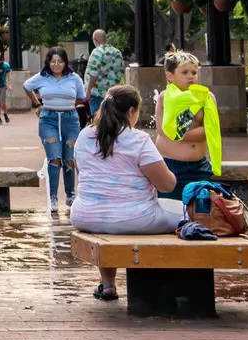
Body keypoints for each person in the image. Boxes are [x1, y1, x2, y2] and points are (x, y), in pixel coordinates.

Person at [69, 85, 181, 301]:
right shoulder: (138, 139)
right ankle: (168, 283)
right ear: (131, 111)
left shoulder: (84, 136)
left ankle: (108, 285)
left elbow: (82, 173)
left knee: (110, 220)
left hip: (86, 216)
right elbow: (167, 185)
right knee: (188, 215)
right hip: (135, 218)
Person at [23, 47, 85, 214]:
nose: (56, 64)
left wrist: (66, 103)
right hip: (48, 119)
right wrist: (38, 104)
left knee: (69, 158)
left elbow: (81, 96)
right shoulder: (42, 77)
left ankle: (71, 196)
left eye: (60, 61)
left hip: (70, 119)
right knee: (55, 158)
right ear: (48, 63)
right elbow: (26, 86)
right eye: (53, 61)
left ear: (65, 62)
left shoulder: (74, 79)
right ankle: (53, 197)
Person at [156, 49, 221, 200]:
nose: (190, 76)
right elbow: (165, 131)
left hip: (199, 166)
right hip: (171, 166)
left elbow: (211, 130)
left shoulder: (206, 97)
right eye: (184, 72)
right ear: (169, 76)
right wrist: (182, 134)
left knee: (199, 211)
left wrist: (180, 134)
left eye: (194, 72)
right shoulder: (165, 97)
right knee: (171, 212)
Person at [83, 29, 125, 125]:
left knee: (98, 122)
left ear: (95, 40)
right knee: (112, 121)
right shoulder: (117, 52)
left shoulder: (97, 52)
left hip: (97, 94)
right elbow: (121, 71)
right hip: (113, 94)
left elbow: (93, 74)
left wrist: (88, 91)